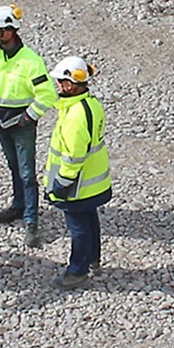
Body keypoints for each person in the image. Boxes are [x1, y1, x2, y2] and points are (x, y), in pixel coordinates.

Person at [0, 5, 57, 247]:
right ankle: (19, 206)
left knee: (26, 172)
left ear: (9, 32)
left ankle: (31, 222)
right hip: (0, 121)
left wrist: (30, 116)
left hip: (21, 124)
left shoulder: (31, 61)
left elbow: (47, 94)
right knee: (13, 166)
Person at [44, 55, 112, 290]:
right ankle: (93, 259)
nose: (58, 86)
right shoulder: (91, 104)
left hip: (77, 184)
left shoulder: (74, 116)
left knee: (78, 227)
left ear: (71, 84)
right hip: (93, 182)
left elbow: (74, 155)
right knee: (89, 220)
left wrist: (62, 182)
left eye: (61, 82)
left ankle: (77, 271)